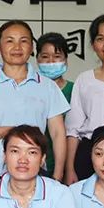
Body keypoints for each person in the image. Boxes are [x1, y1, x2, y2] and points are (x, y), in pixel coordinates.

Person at [0, 20, 70, 190]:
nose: (17, 47)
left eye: (23, 41)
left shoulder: (47, 86)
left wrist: (57, 174)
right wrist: (9, 132)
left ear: (32, 47)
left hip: (34, 169)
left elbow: (58, 133)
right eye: (10, 41)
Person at [65, 14, 104, 183]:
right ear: (93, 45)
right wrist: (70, 168)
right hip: (89, 151)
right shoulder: (84, 79)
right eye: (100, 39)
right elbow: (73, 130)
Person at [35, 32, 74, 177]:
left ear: (66, 60)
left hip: (70, 164)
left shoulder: (75, 90)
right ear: (37, 59)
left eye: (57, 56)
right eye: (45, 56)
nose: (51, 61)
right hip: (37, 164)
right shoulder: (31, 89)